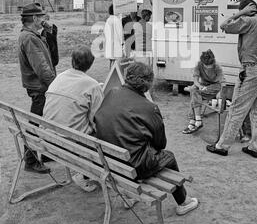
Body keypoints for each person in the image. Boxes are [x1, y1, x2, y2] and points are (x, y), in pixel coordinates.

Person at [93, 61, 199, 215]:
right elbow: (161, 144)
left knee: (137, 149)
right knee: (168, 157)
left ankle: (129, 195)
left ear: (127, 77)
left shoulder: (111, 93)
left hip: (108, 158)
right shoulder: (149, 108)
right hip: (133, 165)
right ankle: (183, 201)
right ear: (147, 83)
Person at [206, 0, 257, 158]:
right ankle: (254, 147)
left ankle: (222, 146)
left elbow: (224, 26)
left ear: (248, 9)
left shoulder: (249, 21)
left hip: (251, 69)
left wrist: (239, 14)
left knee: (237, 108)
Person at [43, 46, 104, 191]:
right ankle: (85, 175)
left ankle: (85, 173)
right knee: (102, 134)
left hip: (47, 136)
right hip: (70, 141)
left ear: (72, 61)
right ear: (90, 64)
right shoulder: (92, 85)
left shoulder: (60, 77)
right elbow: (97, 119)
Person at [18, 3, 56, 173]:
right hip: (39, 87)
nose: (43, 19)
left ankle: (46, 153)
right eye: (41, 17)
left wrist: (49, 34)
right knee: (35, 123)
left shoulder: (31, 35)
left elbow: (51, 58)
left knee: (44, 120)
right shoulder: (30, 38)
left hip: (38, 86)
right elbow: (42, 68)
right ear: (34, 18)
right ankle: (31, 160)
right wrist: (56, 86)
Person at [183, 50, 225, 134]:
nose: (208, 67)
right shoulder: (199, 64)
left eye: (210, 65)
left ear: (213, 62)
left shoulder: (217, 67)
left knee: (194, 92)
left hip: (214, 86)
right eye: (206, 66)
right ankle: (197, 120)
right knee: (194, 90)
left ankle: (193, 120)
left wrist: (220, 93)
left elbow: (221, 83)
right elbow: (195, 79)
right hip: (203, 85)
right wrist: (199, 86)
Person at [104, 4, 123, 68]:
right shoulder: (117, 20)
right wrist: (122, 43)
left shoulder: (108, 20)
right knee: (117, 61)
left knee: (111, 60)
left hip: (109, 43)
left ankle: (111, 72)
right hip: (116, 44)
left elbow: (105, 32)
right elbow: (120, 33)